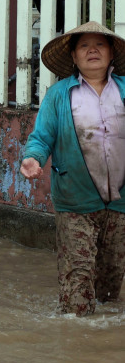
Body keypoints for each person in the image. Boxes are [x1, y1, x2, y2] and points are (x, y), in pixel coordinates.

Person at [21, 21, 125, 316]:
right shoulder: (59, 95)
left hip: (121, 204)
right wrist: (33, 158)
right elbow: (42, 137)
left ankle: (98, 351)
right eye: (84, 46)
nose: (92, 50)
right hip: (75, 201)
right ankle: (75, 339)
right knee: (77, 282)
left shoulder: (124, 90)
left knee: (110, 285)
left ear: (112, 54)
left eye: (100, 44)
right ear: (74, 57)